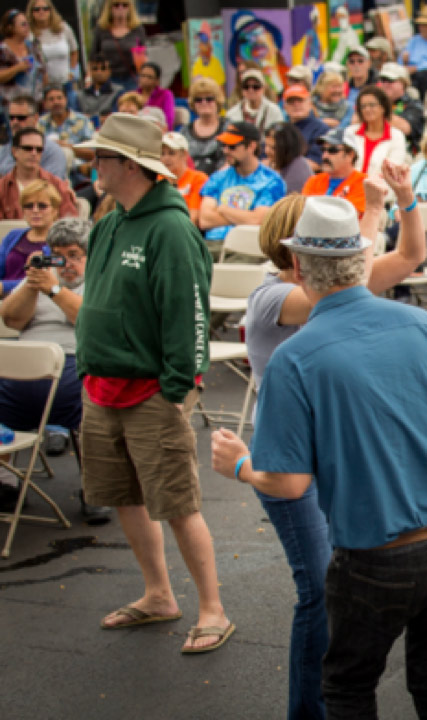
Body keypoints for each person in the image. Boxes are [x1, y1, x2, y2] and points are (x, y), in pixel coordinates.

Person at [208, 191, 427, 717]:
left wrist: (240, 466)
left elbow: (289, 483)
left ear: (297, 266)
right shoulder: (425, 324)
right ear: (361, 261)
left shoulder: (295, 357)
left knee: (349, 690)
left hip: (379, 559)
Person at [73, 113, 232, 652]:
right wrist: (87, 367)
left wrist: (175, 387)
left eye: (100, 157)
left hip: (151, 393)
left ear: (128, 164)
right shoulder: (109, 222)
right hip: (102, 388)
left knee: (178, 504)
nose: (92, 166)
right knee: (126, 497)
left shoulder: (171, 228)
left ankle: (212, 610)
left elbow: (189, 314)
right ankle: (159, 595)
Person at [0, 216, 107, 518]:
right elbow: (11, 319)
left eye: (74, 255)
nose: (66, 264)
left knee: (96, 398)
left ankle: (95, 487)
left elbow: (90, 323)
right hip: (22, 370)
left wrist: (55, 291)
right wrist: (32, 286)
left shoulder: (100, 281)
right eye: (58, 255)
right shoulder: (40, 279)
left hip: (76, 366)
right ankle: (5, 482)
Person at [199, 121, 286, 243]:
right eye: (224, 145)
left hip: (246, 245)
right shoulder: (218, 177)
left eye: (232, 146)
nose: (226, 151)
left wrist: (223, 209)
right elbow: (204, 220)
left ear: (251, 146)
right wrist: (245, 216)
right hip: (212, 244)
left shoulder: (271, 181)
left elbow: (258, 220)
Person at [0, 128, 76, 221]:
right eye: (28, 148)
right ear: (14, 151)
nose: (34, 153)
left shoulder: (57, 185)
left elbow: (71, 222)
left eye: (39, 149)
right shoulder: (2, 188)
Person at [0, 180, 62, 292]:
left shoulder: (62, 241)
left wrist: (3, 287)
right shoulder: (13, 235)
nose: (35, 210)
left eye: (42, 206)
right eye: (29, 206)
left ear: (55, 210)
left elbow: (43, 280)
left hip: (40, 298)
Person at [344, 85, 408, 181]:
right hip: (349, 186)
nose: (367, 109)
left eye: (372, 105)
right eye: (363, 106)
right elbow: (343, 165)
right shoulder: (350, 132)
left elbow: (393, 170)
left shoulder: (397, 136)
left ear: (383, 107)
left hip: (381, 187)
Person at [300, 126, 367, 217]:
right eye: (323, 150)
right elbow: (303, 212)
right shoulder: (314, 181)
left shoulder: (364, 183)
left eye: (332, 150)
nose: (325, 156)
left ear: (350, 155)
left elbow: (346, 218)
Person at [27, 0, 78, 108]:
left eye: (45, 8)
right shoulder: (29, 34)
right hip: (43, 87)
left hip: (65, 84)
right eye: (37, 9)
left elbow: (74, 51)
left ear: (51, 10)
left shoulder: (63, 27)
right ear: (31, 12)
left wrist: (72, 71)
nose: (41, 12)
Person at [0, 96, 66, 179]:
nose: (15, 122)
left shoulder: (52, 152)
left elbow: (51, 184)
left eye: (21, 118)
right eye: (11, 118)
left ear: (35, 118)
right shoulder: (5, 150)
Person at [38, 83, 94, 177]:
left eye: (59, 98)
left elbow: (93, 154)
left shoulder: (82, 121)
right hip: (50, 173)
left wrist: (66, 147)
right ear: (45, 104)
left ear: (66, 100)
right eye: (51, 99)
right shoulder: (41, 123)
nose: (56, 102)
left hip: (79, 173)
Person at [89, 0, 146, 92]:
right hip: (108, 78)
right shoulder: (102, 29)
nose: (120, 8)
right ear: (109, 8)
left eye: (125, 5)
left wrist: (143, 78)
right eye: (116, 5)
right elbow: (93, 55)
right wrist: (89, 77)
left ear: (130, 8)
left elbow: (142, 57)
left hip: (131, 78)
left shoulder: (137, 29)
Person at [0, 9, 44, 120]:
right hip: (11, 107)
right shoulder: (3, 50)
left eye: (28, 24)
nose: (27, 27)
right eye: (23, 24)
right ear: (10, 27)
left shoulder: (32, 46)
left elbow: (43, 71)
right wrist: (17, 68)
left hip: (35, 105)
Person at [181, 77, 228, 176]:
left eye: (209, 99)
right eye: (198, 100)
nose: (204, 102)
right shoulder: (184, 132)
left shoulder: (229, 128)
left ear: (217, 101)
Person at [375, 62, 425, 153]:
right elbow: (355, 120)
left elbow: (406, 128)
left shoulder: (413, 104)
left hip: (404, 151)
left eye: (390, 80)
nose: (385, 84)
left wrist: (374, 115)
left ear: (403, 83)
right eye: (383, 80)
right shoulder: (373, 102)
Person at [161, 132, 207, 226]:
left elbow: (193, 218)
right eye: (162, 153)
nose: (166, 158)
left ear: (184, 155)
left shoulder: (198, 179)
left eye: (171, 153)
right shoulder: (155, 179)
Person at [282, 85, 329, 169]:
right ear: (285, 107)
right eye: (291, 102)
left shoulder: (321, 129)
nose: (296, 104)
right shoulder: (281, 130)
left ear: (310, 104)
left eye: (300, 100)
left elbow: (315, 163)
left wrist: (281, 165)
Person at [225, 68, 285, 133]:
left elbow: (280, 134)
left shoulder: (274, 111)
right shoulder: (232, 114)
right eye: (246, 86)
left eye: (256, 86)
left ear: (263, 88)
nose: (251, 90)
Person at [265, 122, 314, 195]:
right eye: (266, 145)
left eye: (273, 148)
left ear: (287, 149)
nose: (266, 151)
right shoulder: (276, 162)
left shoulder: (297, 172)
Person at [76, 53, 122, 126]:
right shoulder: (80, 95)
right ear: (89, 71)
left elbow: (115, 118)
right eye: (95, 69)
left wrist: (89, 118)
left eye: (103, 68)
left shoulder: (118, 92)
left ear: (109, 71)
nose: (99, 72)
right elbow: (76, 118)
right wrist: (101, 118)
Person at [136, 62, 175, 131]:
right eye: (142, 76)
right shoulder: (134, 94)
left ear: (157, 81)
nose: (145, 79)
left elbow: (169, 120)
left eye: (149, 77)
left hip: (157, 131)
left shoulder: (165, 94)